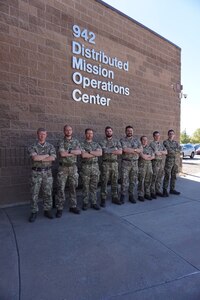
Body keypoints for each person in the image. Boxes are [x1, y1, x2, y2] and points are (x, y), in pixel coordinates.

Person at [28, 128, 56, 222]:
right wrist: (46, 155)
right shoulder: (32, 146)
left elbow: (52, 158)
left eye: (44, 134)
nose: (42, 136)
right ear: (37, 134)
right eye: (40, 134)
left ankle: (47, 210)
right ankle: (33, 212)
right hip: (36, 173)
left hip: (47, 173)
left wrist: (41, 157)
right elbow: (35, 158)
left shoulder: (51, 146)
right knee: (34, 193)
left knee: (48, 193)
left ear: (46, 135)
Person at [55, 125, 81, 217]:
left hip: (73, 168)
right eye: (67, 130)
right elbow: (62, 154)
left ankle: (73, 206)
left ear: (72, 131)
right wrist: (72, 151)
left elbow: (79, 152)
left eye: (70, 130)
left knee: (73, 187)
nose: (68, 131)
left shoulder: (76, 141)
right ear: (64, 131)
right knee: (60, 188)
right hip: (63, 168)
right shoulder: (61, 141)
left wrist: (68, 152)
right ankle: (59, 208)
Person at [99, 126, 122, 207]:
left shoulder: (116, 141)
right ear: (105, 132)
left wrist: (109, 150)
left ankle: (115, 197)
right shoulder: (102, 142)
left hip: (114, 164)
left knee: (115, 181)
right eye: (107, 131)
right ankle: (103, 198)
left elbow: (120, 152)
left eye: (110, 131)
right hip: (105, 164)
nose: (109, 132)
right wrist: (114, 149)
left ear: (112, 132)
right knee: (104, 181)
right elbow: (103, 151)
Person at [80, 128, 102, 210]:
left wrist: (88, 152)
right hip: (85, 167)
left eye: (91, 133)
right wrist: (94, 153)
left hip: (95, 167)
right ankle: (85, 203)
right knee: (85, 186)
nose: (90, 135)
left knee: (94, 186)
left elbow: (100, 153)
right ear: (85, 134)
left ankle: (94, 202)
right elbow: (83, 155)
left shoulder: (96, 144)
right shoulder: (81, 144)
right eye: (88, 133)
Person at [120, 126, 142, 204]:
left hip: (135, 163)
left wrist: (133, 150)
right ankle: (122, 195)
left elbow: (141, 150)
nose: (130, 132)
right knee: (124, 180)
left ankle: (131, 195)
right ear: (125, 132)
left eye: (131, 131)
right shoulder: (122, 140)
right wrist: (136, 150)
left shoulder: (137, 140)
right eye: (128, 131)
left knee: (133, 180)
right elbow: (124, 149)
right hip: (125, 163)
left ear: (133, 131)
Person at [163, 129, 181, 197]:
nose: (171, 135)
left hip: (175, 162)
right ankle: (165, 190)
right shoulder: (165, 142)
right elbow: (168, 150)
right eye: (170, 134)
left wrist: (174, 150)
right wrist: (175, 150)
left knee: (174, 176)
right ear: (168, 135)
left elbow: (179, 149)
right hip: (169, 161)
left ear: (174, 135)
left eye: (172, 134)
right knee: (167, 176)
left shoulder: (176, 142)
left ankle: (172, 189)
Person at [149, 131, 167, 198]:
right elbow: (156, 153)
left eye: (158, 136)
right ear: (153, 136)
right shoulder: (152, 144)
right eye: (156, 136)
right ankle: (152, 192)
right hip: (155, 162)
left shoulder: (161, 144)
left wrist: (161, 152)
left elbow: (166, 152)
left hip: (161, 162)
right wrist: (161, 152)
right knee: (154, 177)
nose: (157, 137)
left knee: (159, 177)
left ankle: (157, 190)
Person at [138, 136, 155, 201]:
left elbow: (153, 156)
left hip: (149, 166)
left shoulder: (149, 148)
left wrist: (148, 156)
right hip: (142, 166)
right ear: (141, 140)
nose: (145, 141)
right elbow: (142, 156)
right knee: (141, 180)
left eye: (146, 140)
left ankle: (147, 194)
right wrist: (149, 156)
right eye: (143, 140)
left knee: (148, 180)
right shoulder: (140, 148)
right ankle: (140, 194)